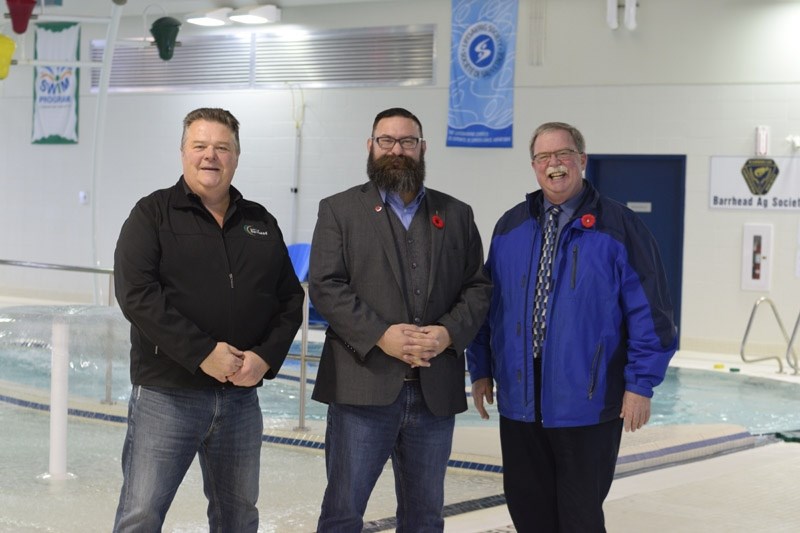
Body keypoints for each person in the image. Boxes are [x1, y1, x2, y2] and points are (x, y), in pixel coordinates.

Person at [467, 122, 678, 532]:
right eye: (544, 157)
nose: (554, 164)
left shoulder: (619, 227)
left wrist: (639, 385)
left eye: (563, 154)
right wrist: (481, 369)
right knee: (528, 512)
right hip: (521, 400)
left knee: (579, 518)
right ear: (533, 167)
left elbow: (651, 313)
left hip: (587, 401)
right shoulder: (511, 226)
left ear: (581, 160)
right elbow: (487, 305)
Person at [112, 107, 304, 532]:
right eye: (199, 146)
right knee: (141, 515)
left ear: (236, 156)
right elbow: (136, 295)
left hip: (239, 400)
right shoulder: (152, 214)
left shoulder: (260, 222)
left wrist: (265, 358)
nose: (210, 156)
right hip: (167, 396)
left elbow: (290, 298)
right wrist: (202, 353)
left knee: (238, 517)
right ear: (183, 153)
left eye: (222, 147)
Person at [308, 107, 492, 532]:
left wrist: (448, 333)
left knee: (425, 518)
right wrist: (380, 335)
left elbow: (478, 287)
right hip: (362, 392)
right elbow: (326, 286)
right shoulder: (339, 210)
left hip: (434, 395)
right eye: (386, 141)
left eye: (407, 142)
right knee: (342, 514)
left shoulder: (457, 215)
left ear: (422, 148)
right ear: (370, 147)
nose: (397, 150)